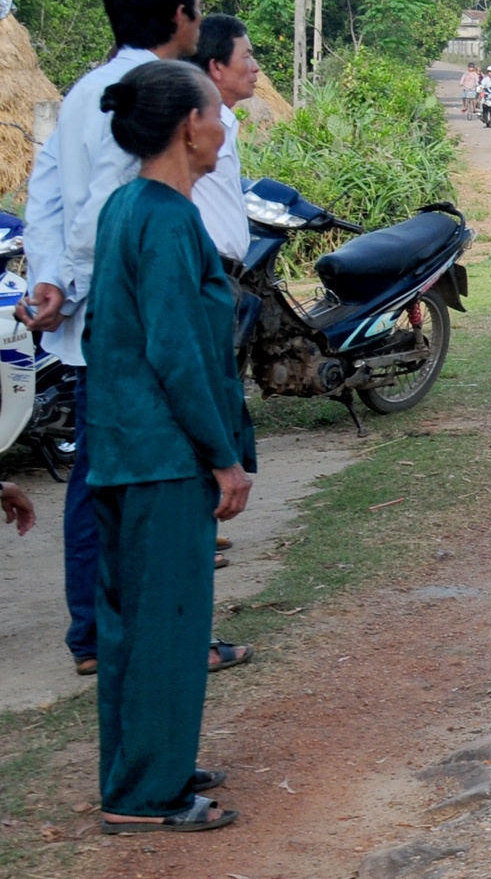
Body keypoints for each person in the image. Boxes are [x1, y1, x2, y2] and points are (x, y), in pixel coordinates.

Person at [19, 0, 200, 678]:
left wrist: (52, 279)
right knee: (131, 480)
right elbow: (106, 213)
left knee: (99, 474)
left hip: (87, 309)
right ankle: (115, 629)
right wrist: (75, 279)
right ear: (180, 15)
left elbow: (50, 199)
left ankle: (99, 625)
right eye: (194, 7)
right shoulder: (158, 94)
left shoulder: (83, 91)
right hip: (128, 322)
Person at [88, 59, 254, 835]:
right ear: (190, 126)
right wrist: (222, 453)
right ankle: (147, 796)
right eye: (218, 112)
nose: (225, 127)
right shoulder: (168, 217)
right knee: (170, 625)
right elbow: (179, 348)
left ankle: (142, 768)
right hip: (164, 456)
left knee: (129, 626)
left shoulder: (125, 207)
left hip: (122, 447)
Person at [189, 15, 260, 265]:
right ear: (217, 67)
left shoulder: (224, 123)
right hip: (206, 269)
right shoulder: (197, 126)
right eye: (246, 56)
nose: (255, 67)